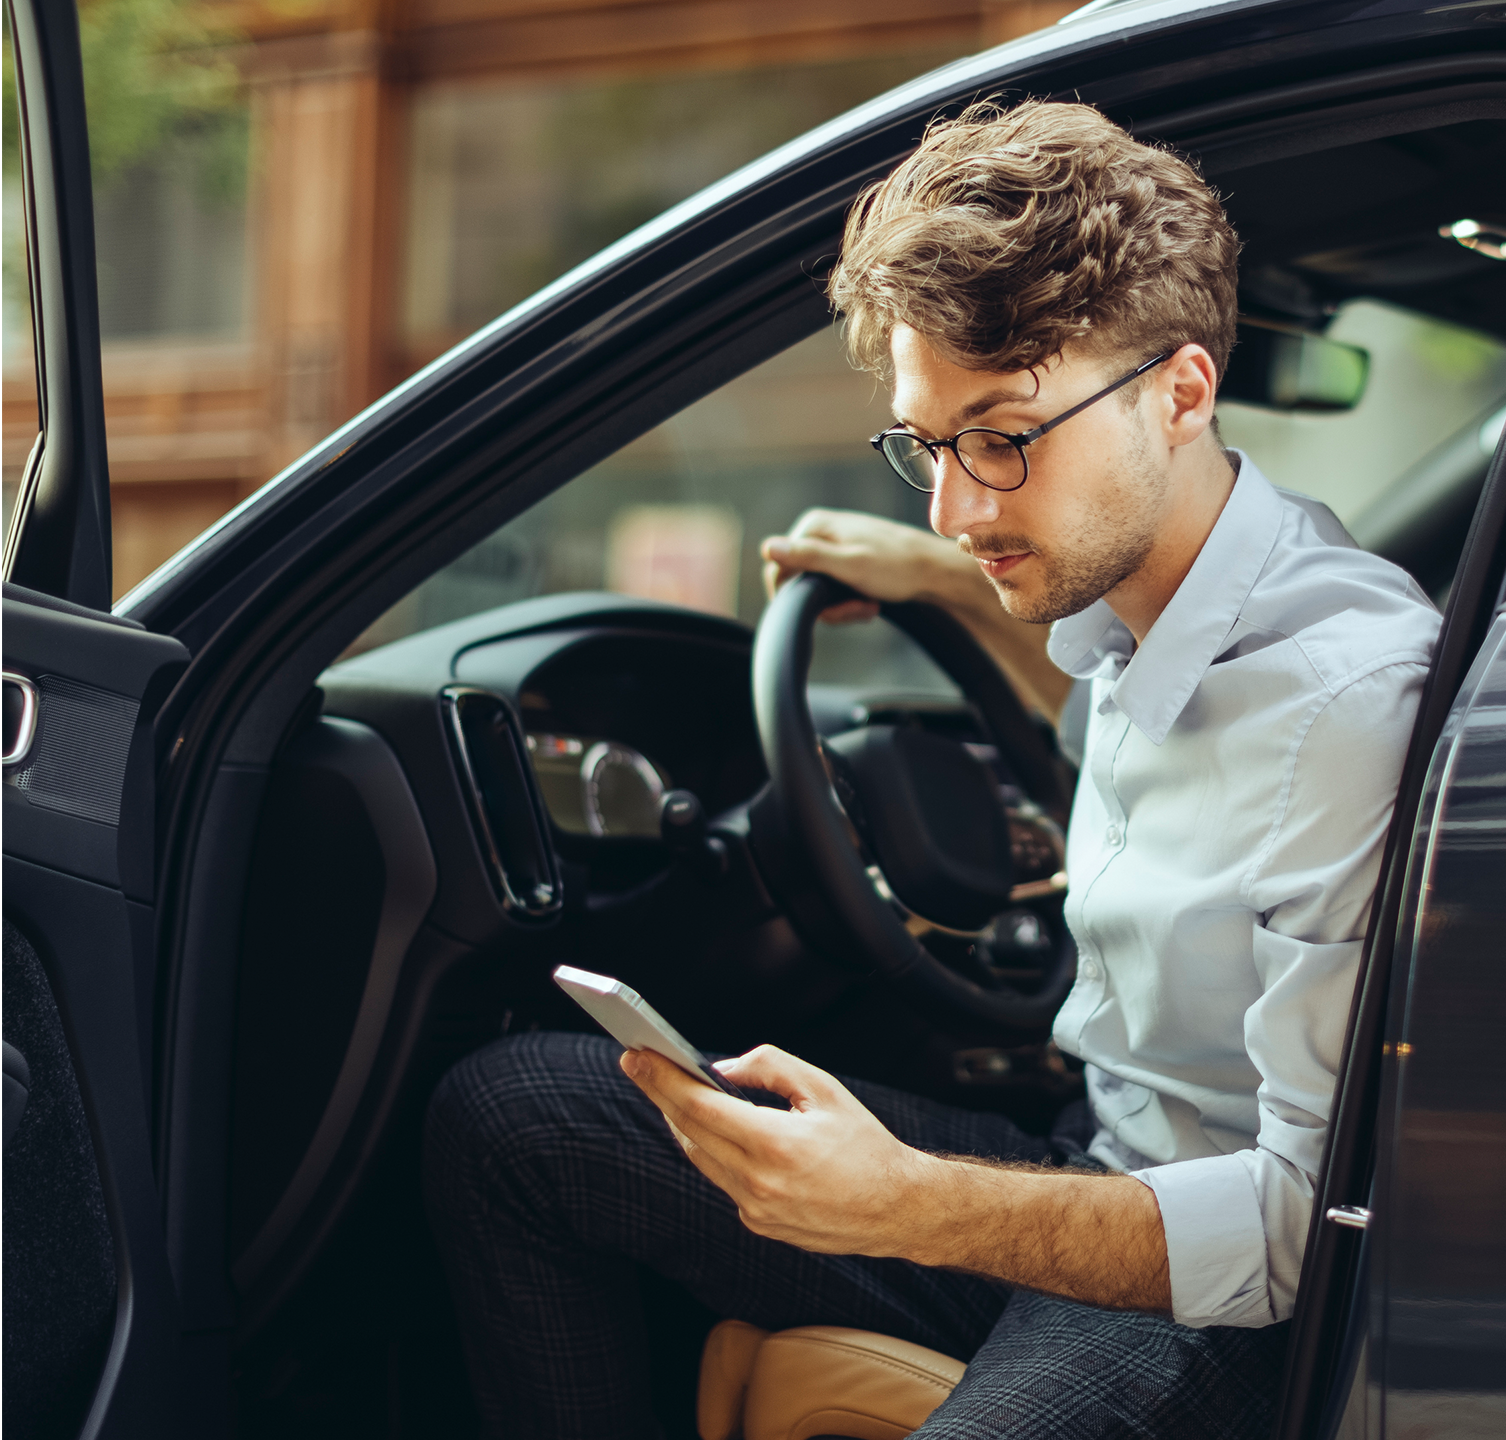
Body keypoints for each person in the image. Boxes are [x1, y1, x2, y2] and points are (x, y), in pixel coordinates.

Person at [423, 99, 1443, 1439]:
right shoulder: (1152, 596)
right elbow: (1099, 732)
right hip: (1090, 1160)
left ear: (1182, 392)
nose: (958, 507)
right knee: (516, 1121)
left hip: (1226, 1292)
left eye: (1004, 438)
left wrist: (903, 1200)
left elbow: (1314, 1231)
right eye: (926, 444)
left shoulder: (1349, 702)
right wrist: (936, 583)